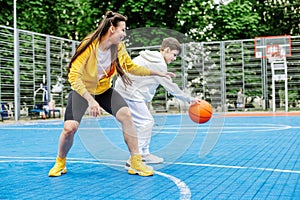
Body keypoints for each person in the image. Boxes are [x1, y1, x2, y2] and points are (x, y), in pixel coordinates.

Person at [48, 11, 174, 177]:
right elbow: (73, 76)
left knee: (126, 115)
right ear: (112, 29)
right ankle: (60, 162)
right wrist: (90, 101)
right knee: (69, 128)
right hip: (82, 90)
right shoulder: (89, 45)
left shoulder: (118, 47)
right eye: (123, 30)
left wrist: (156, 73)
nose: (124, 33)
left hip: (103, 90)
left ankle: (136, 161)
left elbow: (130, 67)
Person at [114, 37, 197, 166]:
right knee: (146, 122)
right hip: (129, 92)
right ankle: (136, 157)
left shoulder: (153, 58)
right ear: (167, 50)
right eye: (174, 55)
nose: (174, 58)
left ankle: (144, 153)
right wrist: (189, 99)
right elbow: (170, 87)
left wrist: (163, 73)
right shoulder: (159, 63)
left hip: (126, 90)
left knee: (145, 122)